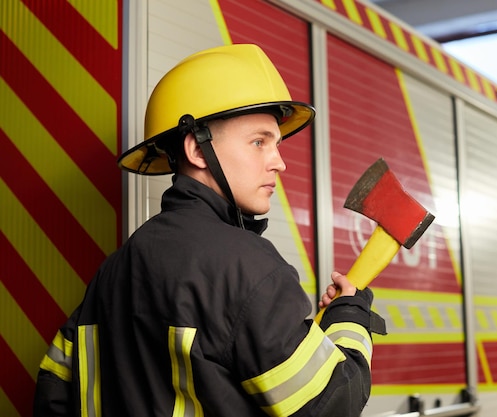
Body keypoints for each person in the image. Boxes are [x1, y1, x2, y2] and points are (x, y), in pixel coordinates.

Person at [33, 43, 385, 417]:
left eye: (277, 144)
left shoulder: (111, 273)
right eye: (258, 142)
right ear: (197, 151)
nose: (279, 163)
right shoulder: (248, 268)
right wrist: (348, 318)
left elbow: (54, 392)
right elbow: (333, 405)